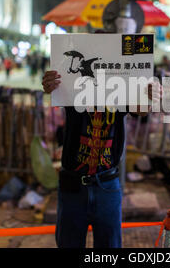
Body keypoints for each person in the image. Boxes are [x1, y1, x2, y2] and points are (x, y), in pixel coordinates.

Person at [42, 71, 161, 248]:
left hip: (107, 183)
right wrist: (50, 85)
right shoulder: (74, 74)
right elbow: (55, 89)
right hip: (73, 184)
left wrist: (150, 96)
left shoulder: (122, 76)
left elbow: (141, 109)